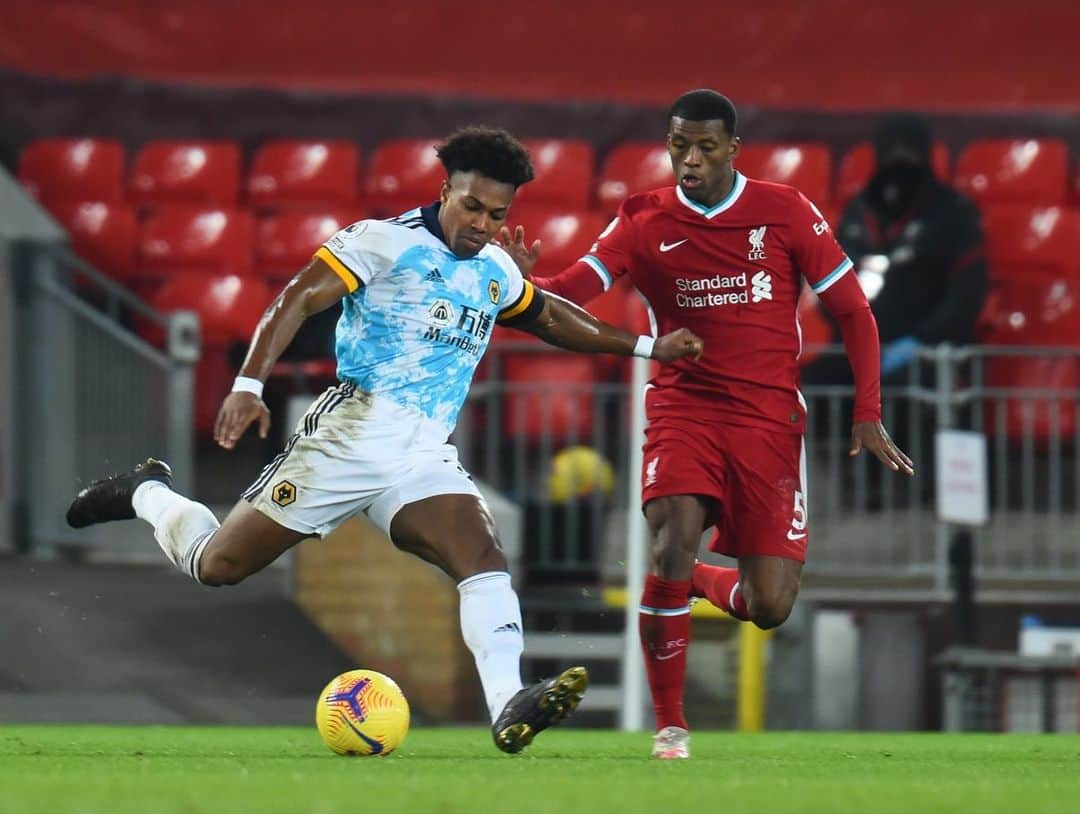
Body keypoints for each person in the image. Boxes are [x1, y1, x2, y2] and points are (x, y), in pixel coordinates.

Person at [65, 127, 704, 755]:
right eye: (472, 206)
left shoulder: (493, 267)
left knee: (481, 557)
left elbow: (549, 317)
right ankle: (146, 491)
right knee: (219, 566)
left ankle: (508, 704)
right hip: (348, 439)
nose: (482, 224)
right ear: (445, 189)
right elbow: (296, 297)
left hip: (422, 455)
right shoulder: (383, 242)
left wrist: (646, 346)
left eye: (497, 213)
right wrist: (248, 384)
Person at [498, 91, 914, 759]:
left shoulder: (785, 211)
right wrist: (525, 286)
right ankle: (671, 727)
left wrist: (868, 411)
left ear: (732, 150)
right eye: (678, 146)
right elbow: (575, 288)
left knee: (770, 604)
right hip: (684, 407)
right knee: (671, 537)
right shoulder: (642, 219)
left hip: (769, 423)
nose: (690, 160)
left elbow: (854, 311)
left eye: (704, 147)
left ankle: (695, 580)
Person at [814, 113, 988, 385]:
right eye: (891, 152)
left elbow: (967, 296)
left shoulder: (953, 211)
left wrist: (921, 340)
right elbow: (831, 282)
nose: (900, 161)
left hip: (927, 348)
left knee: (898, 388)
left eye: (908, 151)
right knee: (812, 384)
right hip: (860, 344)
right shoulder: (859, 210)